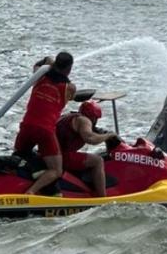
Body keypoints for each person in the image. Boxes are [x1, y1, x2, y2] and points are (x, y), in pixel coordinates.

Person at [14, 52, 77, 195]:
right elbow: (72, 96)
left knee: (18, 158)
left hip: (26, 126)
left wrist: (46, 61)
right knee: (56, 170)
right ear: (69, 68)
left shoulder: (39, 76)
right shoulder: (70, 87)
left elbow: (36, 65)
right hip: (45, 131)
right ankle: (31, 192)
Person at [56, 101, 118, 197]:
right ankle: (102, 197)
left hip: (53, 154)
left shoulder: (69, 116)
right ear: (93, 117)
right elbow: (90, 138)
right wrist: (108, 136)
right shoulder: (84, 120)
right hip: (63, 157)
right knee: (98, 160)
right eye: (96, 118)